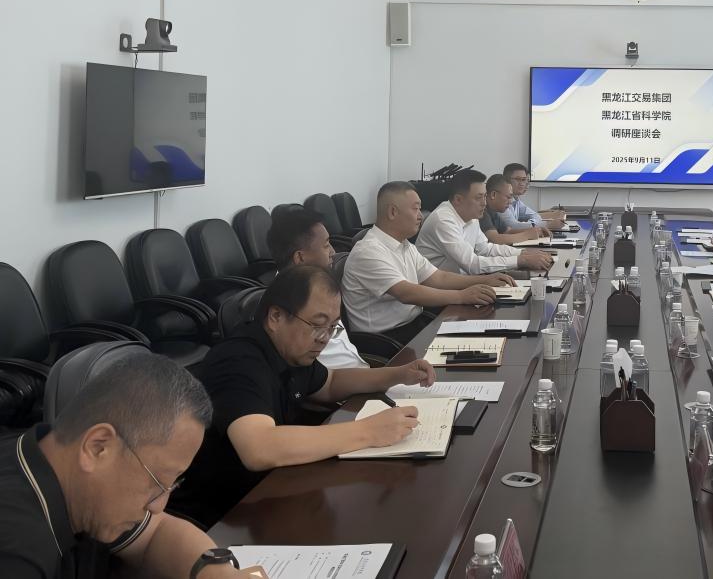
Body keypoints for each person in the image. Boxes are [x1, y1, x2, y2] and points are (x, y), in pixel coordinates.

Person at [168, 265, 438, 529]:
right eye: (318, 325)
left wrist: (397, 374)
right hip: (224, 514)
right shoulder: (237, 361)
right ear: (276, 317)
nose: (324, 338)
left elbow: (330, 383)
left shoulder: (290, 349)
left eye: (332, 327)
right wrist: (370, 431)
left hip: (273, 486)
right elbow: (259, 447)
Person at [0, 353, 263, 578]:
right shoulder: (15, 550)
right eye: (157, 482)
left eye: (170, 486)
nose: (158, 506)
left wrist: (216, 571)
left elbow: (156, 533)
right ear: (98, 447)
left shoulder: (59, 460)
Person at [342, 182, 512, 340]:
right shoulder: (368, 251)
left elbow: (439, 278)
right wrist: (462, 296)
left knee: (480, 333)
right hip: (386, 339)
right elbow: (407, 293)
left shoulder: (405, 245)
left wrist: (485, 280)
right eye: (416, 209)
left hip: (415, 324)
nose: (420, 217)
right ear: (393, 212)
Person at [268, 206, 366, 369]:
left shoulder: (320, 287)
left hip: (360, 370)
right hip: (340, 383)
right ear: (300, 257)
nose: (333, 252)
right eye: (326, 245)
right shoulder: (288, 307)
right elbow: (319, 378)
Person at [416, 169, 554, 276]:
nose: (484, 203)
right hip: (438, 292)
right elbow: (472, 264)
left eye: (484, 196)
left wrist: (523, 253)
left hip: (461, 282)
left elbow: (486, 249)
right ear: (458, 199)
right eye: (479, 198)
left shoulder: (471, 216)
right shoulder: (443, 220)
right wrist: (520, 260)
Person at [481, 174, 551, 246]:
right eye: (508, 197)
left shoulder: (493, 211)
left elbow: (508, 231)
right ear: (493, 195)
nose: (510, 202)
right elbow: (495, 239)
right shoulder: (482, 211)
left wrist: (536, 230)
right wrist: (526, 235)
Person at [501, 163, 564, 230]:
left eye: (523, 179)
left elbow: (536, 216)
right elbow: (513, 226)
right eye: (518, 179)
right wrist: (547, 224)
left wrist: (531, 223)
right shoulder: (502, 200)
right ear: (507, 180)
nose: (522, 183)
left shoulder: (516, 200)